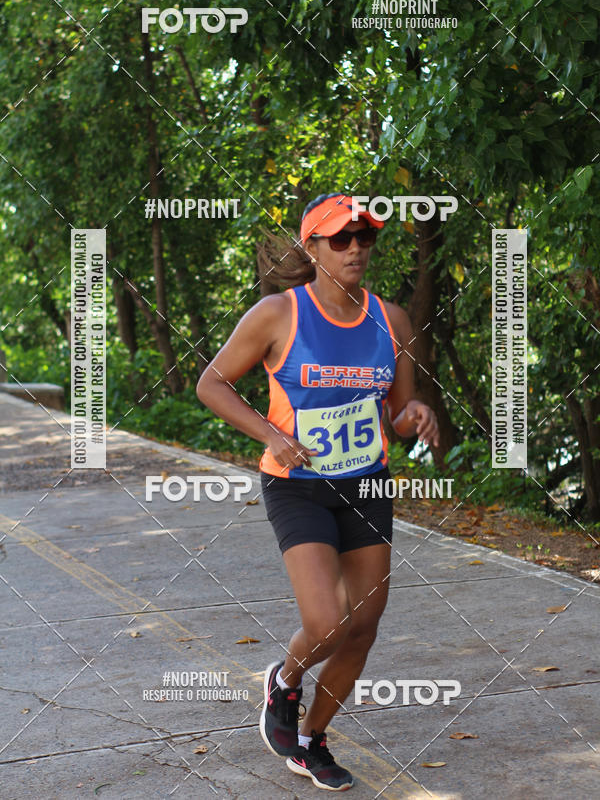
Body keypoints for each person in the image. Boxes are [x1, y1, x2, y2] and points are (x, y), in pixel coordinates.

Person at [196, 192, 439, 791]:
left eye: (366, 237)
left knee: (366, 624)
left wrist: (415, 414)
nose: (356, 247)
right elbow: (213, 383)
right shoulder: (279, 313)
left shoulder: (392, 319)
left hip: (365, 482)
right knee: (328, 621)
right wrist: (272, 435)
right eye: (341, 238)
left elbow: (396, 416)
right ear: (314, 246)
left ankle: (310, 739)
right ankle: (284, 681)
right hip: (297, 486)